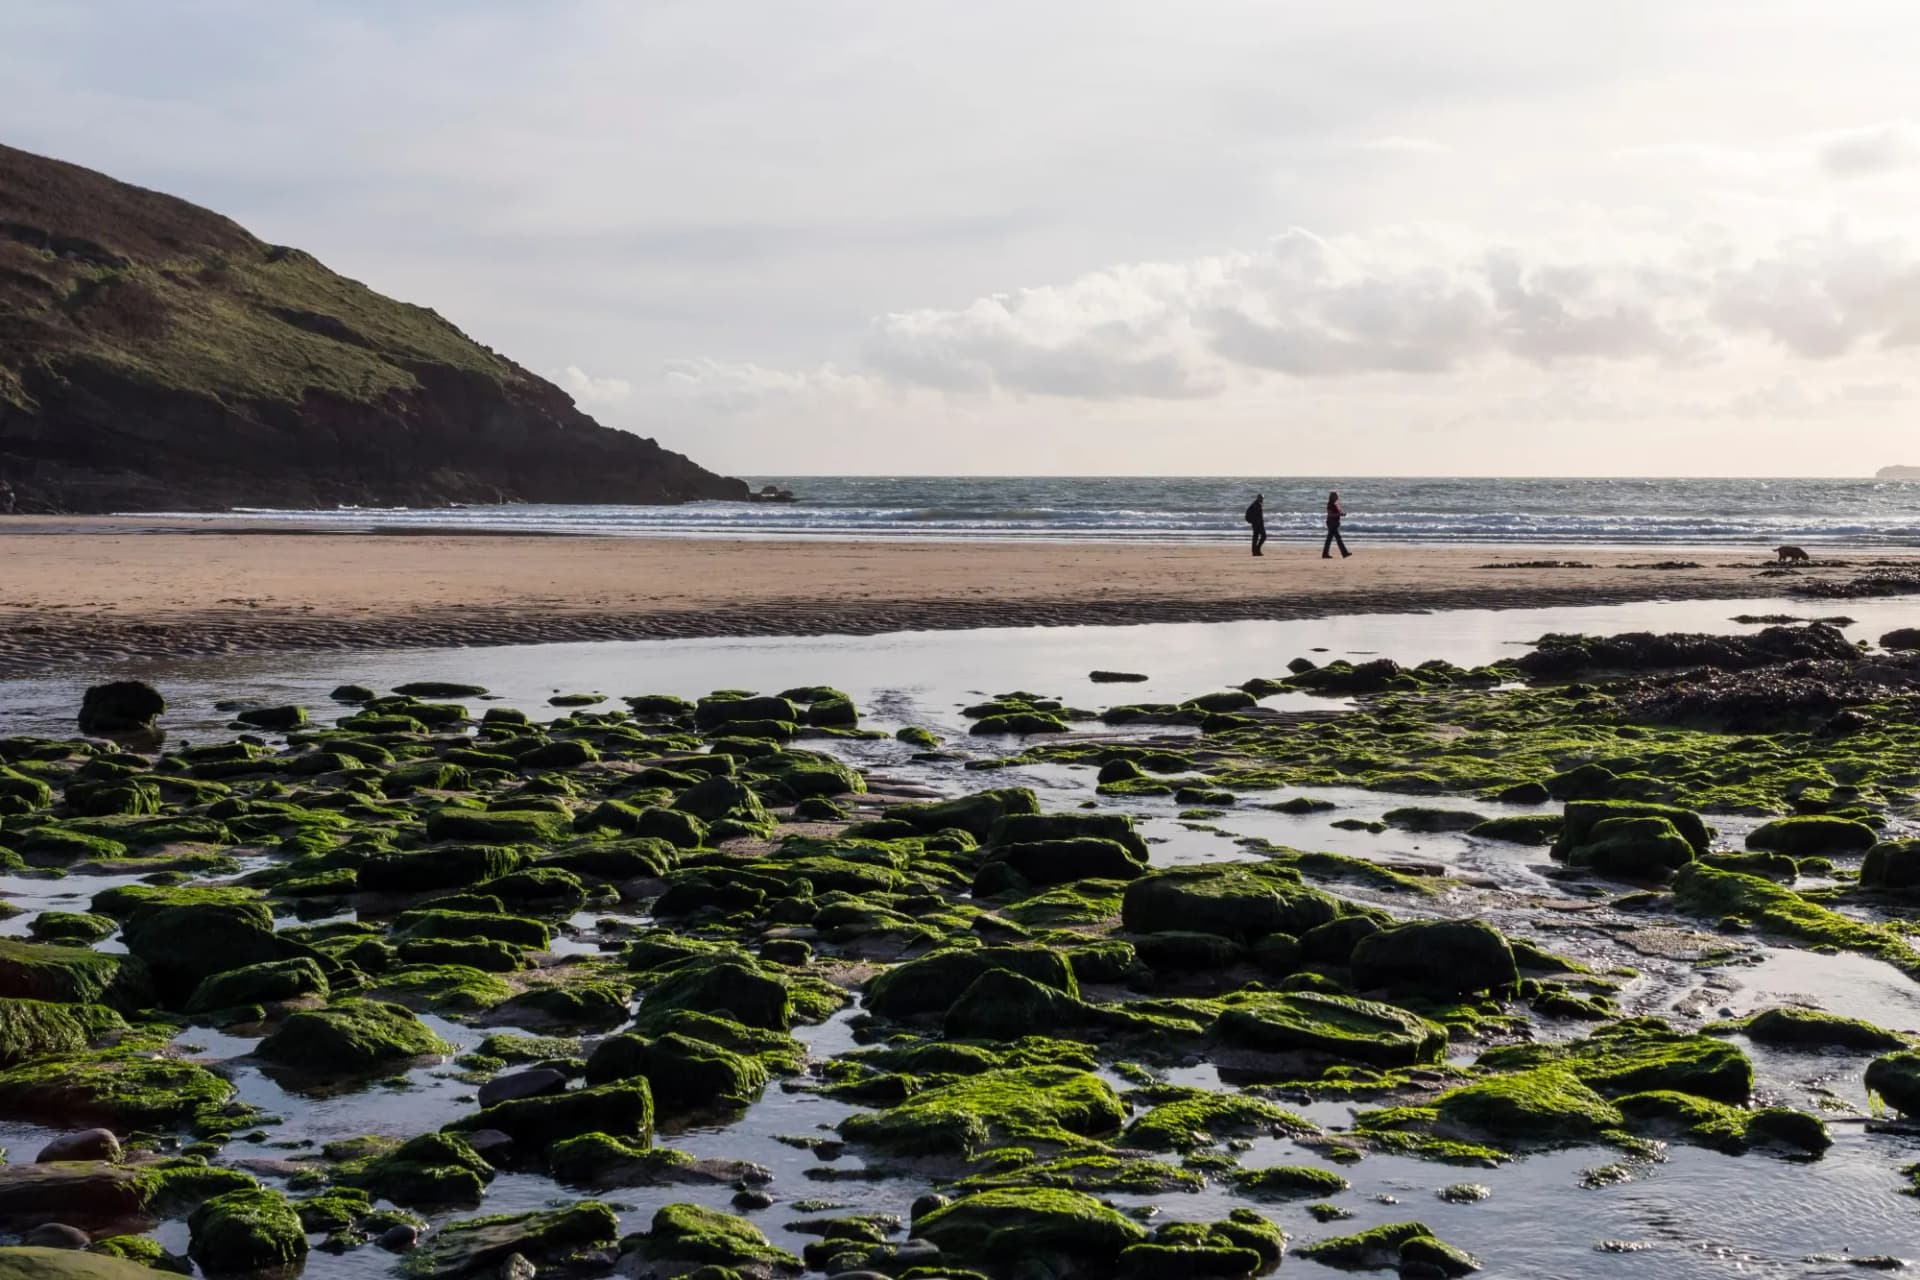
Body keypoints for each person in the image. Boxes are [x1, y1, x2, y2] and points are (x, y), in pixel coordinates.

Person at [1323, 490, 1350, 559]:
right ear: (1333, 497)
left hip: (1334, 523)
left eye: (1337, 495)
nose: (1337, 497)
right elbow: (1330, 514)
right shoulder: (1330, 504)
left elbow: (1337, 513)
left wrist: (1341, 514)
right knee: (1337, 538)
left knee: (1330, 539)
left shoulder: (1335, 504)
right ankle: (1344, 553)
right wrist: (1339, 514)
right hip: (1331, 523)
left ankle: (1325, 554)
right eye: (1336, 495)